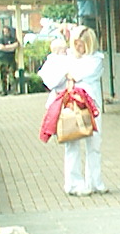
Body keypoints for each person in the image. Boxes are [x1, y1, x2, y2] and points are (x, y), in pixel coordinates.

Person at [39, 26, 107, 196]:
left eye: (81, 44)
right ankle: (73, 184)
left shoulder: (96, 59)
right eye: (75, 44)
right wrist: (67, 72)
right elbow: (52, 77)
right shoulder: (66, 57)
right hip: (70, 107)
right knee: (72, 143)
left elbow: (81, 74)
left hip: (91, 108)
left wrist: (68, 73)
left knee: (94, 144)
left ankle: (94, 181)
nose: (78, 48)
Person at [0, 26, 19, 95]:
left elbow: (16, 45)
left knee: (12, 75)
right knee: (3, 76)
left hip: (11, 59)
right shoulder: (1, 39)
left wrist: (6, 47)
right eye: (4, 31)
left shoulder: (13, 39)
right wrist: (10, 48)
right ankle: (4, 91)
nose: (6, 33)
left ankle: (14, 90)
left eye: (7, 31)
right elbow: (1, 47)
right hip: (2, 59)